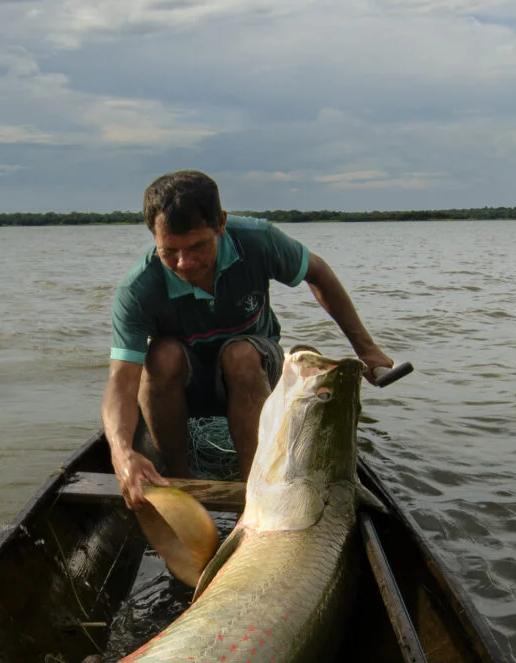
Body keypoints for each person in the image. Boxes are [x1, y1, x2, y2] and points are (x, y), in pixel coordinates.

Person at [102, 170, 395, 510]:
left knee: (239, 355)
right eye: (170, 251)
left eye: (198, 246)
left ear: (221, 224)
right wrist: (122, 453)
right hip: (186, 386)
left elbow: (319, 274)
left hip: (254, 370)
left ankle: (257, 489)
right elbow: (121, 384)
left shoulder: (257, 241)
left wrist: (367, 350)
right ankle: (182, 484)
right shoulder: (139, 288)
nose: (184, 263)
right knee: (161, 356)